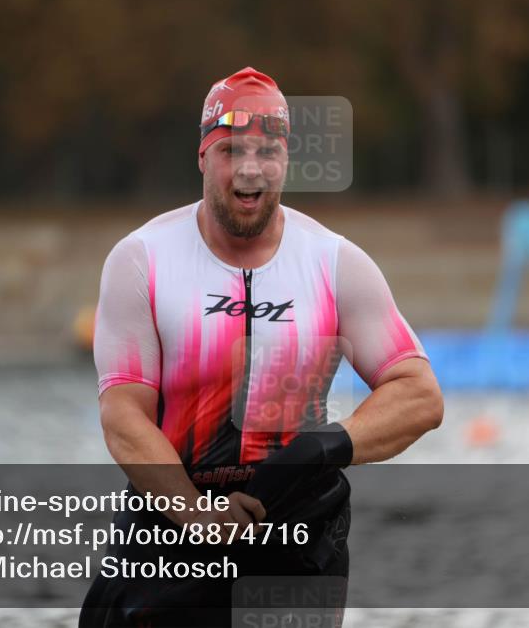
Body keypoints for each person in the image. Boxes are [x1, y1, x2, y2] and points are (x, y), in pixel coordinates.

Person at [80, 67, 443, 627]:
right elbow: (123, 415)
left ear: (286, 160)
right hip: (174, 527)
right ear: (202, 158)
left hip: (296, 536)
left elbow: (419, 395)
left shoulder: (334, 262)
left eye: (267, 150)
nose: (249, 169)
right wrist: (195, 514)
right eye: (230, 150)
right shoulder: (142, 259)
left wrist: (319, 448)